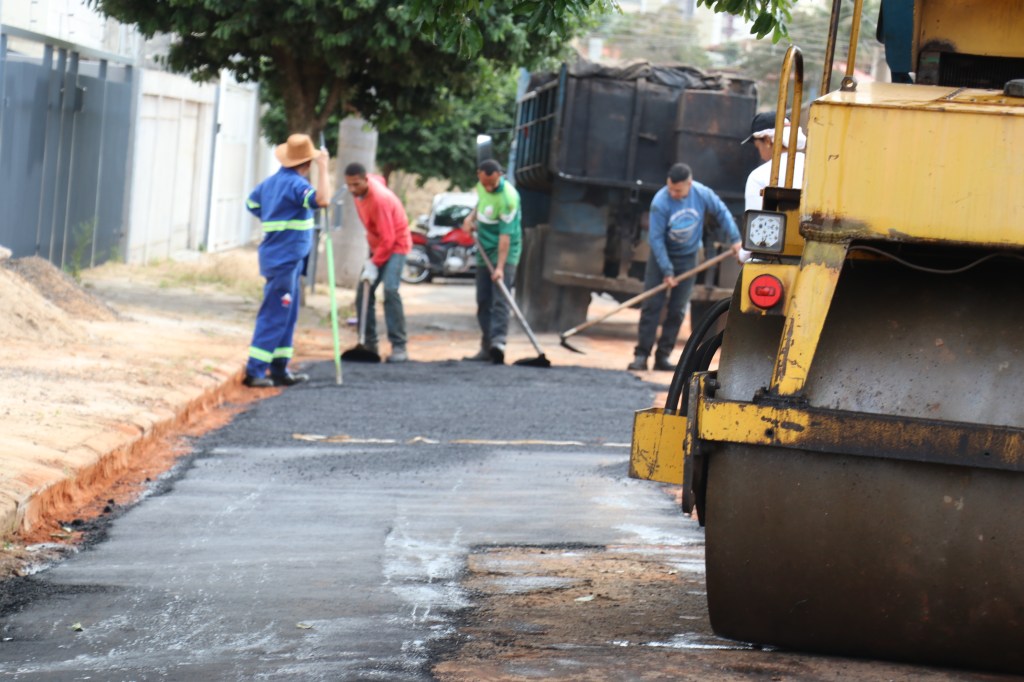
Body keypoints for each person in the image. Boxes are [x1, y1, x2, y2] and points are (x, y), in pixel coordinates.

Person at [628, 163, 741, 372]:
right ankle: (641, 356)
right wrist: (667, 271)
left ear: (689, 184)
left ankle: (663, 357)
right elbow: (656, 240)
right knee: (652, 306)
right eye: (670, 188)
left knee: (677, 310)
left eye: (677, 190)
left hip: (688, 258)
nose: (673, 193)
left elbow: (722, 212)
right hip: (661, 257)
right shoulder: (660, 202)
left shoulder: (701, 193)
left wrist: (735, 239)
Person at [242, 133, 331, 388]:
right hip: (284, 259)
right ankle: (255, 371)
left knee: (287, 314)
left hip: (284, 259)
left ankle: (279, 368)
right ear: (308, 163)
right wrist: (325, 168)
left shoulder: (270, 184)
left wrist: (271, 214)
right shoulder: (295, 185)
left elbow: (251, 204)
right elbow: (322, 200)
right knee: (274, 313)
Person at [343, 162, 412, 363]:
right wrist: (373, 258)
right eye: (349, 185)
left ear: (365, 180)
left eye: (356, 184)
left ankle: (399, 346)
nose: (352, 189)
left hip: (396, 245)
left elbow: (389, 239)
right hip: (378, 246)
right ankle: (368, 343)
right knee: (362, 293)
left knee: (390, 290)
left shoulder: (379, 200)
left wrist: (374, 264)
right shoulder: (359, 193)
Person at [462, 159, 522, 364]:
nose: (488, 187)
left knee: (499, 299)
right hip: (484, 249)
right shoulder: (482, 185)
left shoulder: (509, 198)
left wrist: (500, 268)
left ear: (500, 176)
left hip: (504, 251)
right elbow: (481, 203)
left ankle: (499, 343)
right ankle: (486, 346)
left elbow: (505, 238)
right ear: (479, 175)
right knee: (483, 299)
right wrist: (470, 219)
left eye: (492, 183)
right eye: (484, 182)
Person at [739, 110, 807, 262]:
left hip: (774, 260)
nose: (761, 154)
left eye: (758, 147)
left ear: (768, 141)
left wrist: (741, 254)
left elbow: (756, 239)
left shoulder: (759, 176)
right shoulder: (815, 168)